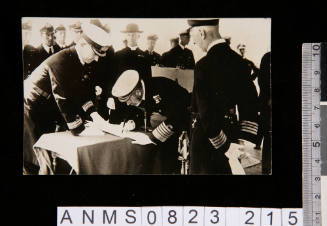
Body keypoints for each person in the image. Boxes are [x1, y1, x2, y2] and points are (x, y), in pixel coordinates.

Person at [23, 22, 113, 174]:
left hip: (46, 109)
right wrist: (80, 130)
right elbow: (63, 99)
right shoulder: (62, 61)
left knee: (51, 158)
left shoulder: (80, 61)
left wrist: (96, 117)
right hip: (29, 110)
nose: (97, 60)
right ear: (83, 44)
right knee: (37, 160)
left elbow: (83, 93)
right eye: (96, 54)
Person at [187, 18, 259, 174]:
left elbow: (205, 113)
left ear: (202, 32)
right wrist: (242, 142)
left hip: (206, 143)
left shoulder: (203, 66)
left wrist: (224, 147)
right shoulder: (240, 62)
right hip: (233, 136)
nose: (194, 43)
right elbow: (251, 104)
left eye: (194, 37)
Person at [109, 70, 190, 174]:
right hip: (169, 123)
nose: (128, 104)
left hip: (184, 126)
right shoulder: (140, 91)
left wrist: (151, 137)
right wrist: (133, 123)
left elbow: (177, 117)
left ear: (137, 92)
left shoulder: (161, 88)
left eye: (128, 100)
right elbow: (142, 111)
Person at [256, 52, 271, 174]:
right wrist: (268, 98)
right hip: (267, 104)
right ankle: (266, 169)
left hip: (266, 103)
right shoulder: (267, 57)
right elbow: (262, 80)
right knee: (268, 135)